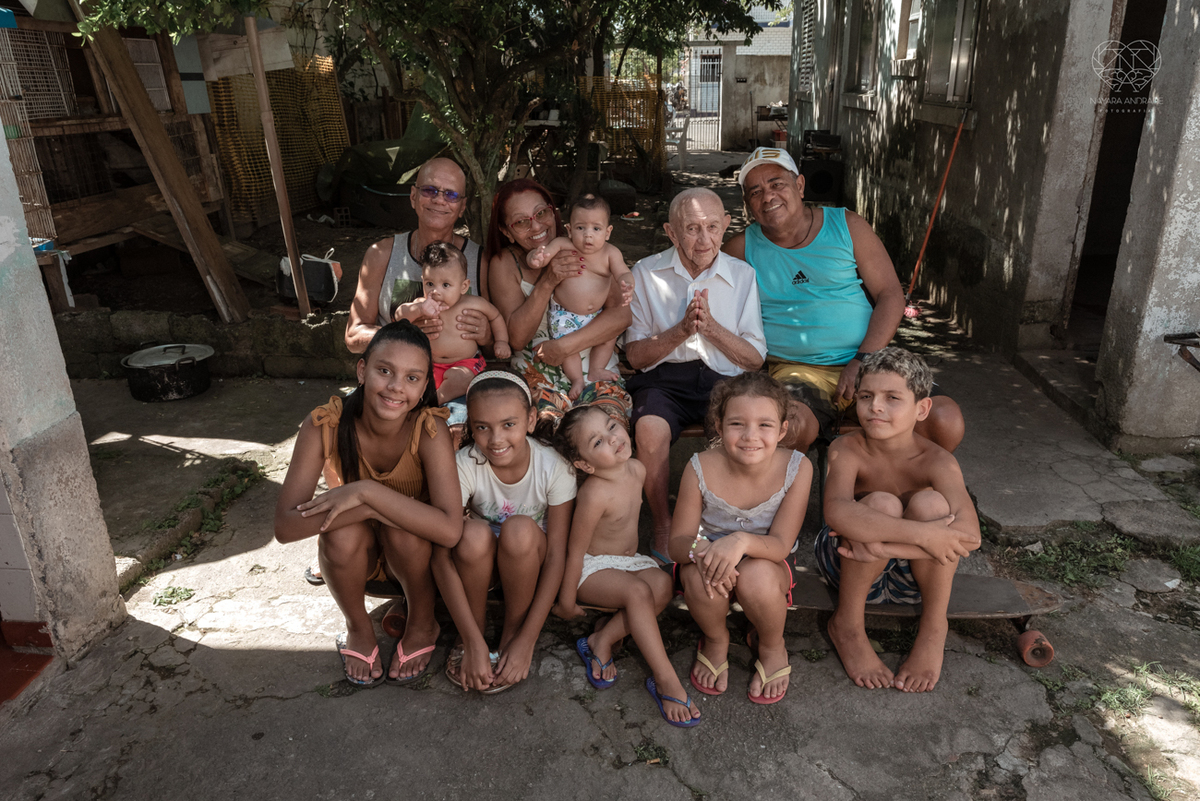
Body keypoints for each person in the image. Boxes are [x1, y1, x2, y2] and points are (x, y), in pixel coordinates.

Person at [722, 147, 964, 454]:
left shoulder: (847, 225)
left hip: (871, 360)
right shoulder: (740, 248)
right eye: (754, 191)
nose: (768, 197)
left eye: (776, 184)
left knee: (945, 420)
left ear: (799, 185)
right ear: (747, 204)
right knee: (788, 428)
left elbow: (890, 294)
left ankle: (892, 485)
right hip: (796, 370)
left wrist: (861, 359)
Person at [274, 321, 462, 687]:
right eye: (384, 371)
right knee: (339, 534)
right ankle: (357, 627)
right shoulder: (324, 424)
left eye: (412, 378)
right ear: (362, 370)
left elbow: (451, 530)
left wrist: (368, 493)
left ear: (425, 386)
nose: (395, 387)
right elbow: (284, 527)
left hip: (415, 560)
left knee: (403, 530)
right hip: (357, 562)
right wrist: (365, 505)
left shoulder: (428, 429)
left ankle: (423, 621)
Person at [817, 347, 980, 693]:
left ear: (921, 409)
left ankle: (934, 628)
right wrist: (922, 536)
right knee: (880, 505)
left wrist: (883, 546)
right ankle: (847, 623)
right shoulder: (846, 449)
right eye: (866, 396)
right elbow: (837, 511)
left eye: (892, 398)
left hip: (909, 581)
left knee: (933, 505)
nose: (875, 406)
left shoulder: (937, 461)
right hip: (849, 562)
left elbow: (970, 536)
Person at [626, 187, 767, 561]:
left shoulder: (742, 276)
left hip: (725, 382)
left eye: (712, 227)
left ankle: (729, 523)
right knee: (648, 430)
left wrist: (713, 329)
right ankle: (663, 524)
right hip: (663, 382)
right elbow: (636, 356)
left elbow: (754, 359)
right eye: (691, 229)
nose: (704, 239)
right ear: (671, 233)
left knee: (739, 430)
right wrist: (681, 330)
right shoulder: (645, 272)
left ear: (725, 226)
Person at [551, 405, 701, 728]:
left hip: (628, 562)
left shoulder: (637, 470)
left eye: (611, 427)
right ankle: (666, 679)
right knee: (637, 593)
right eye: (597, 442)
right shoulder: (593, 495)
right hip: (591, 569)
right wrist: (565, 600)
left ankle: (601, 640)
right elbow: (575, 551)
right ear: (583, 464)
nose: (613, 438)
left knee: (662, 585)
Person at [668, 372, 811, 705]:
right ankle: (716, 639)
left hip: (768, 560)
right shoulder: (699, 467)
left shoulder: (797, 467)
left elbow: (780, 544)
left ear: (783, 429)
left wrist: (741, 542)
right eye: (737, 424)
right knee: (700, 577)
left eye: (765, 425)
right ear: (718, 426)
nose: (751, 436)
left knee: (756, 577)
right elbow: (678, 543)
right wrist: (701, 550)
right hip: (709, 558)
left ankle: (773, 645)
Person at [431, 371, 576, 693]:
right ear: (471, 425)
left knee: (519, 530)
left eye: (508, 425)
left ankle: (513, 631)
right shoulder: (464, 464)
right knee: (470, 534)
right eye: (482, 427)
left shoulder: (554, 468)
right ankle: (475, 630)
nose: (495, 440)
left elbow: (555, 556)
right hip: (479, 565)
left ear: (530, 420)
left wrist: (528, 639)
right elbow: (440, 557)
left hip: (527, 563)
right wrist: (471, 638)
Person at [486, 179, 632, 426]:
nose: (536, 225)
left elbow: (622, 316)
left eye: (541, 213)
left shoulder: (588, 247)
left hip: (596, 368)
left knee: (607, 431)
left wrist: (565, 347)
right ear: (506, 231)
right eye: (521, 221)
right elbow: (518, 339)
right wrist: (548, 281)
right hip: (539, 375)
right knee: (550, 430)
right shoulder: (504, 265)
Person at [345, 157, 492, 356]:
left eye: (451, 194)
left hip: (458, 376)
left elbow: (495, 345)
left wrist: (486, 335)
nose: (439, 200)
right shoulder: (381, 254)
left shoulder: (478, 260)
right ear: (413, 196)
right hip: (396, 377)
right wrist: (406, 335)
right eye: (429, 190)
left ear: (462, 207)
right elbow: (354, 337)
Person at [528, 194, 634, 400]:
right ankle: (577, 378)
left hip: (597, 315)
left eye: (596, 228)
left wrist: (627, 283)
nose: (588, 235)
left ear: (608, 232)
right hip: (565, 315)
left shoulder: (611, 253)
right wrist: (536, 257)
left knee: (608, 337)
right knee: (567, 347)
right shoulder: (562, 244)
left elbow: (623, 272)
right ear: (569, 230)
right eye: (580, 228)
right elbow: (543, 255)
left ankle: (596, 368)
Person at [412, 241, 511, 405]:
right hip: (430, 364)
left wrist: (501, 341)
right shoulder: (421, 304)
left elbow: (496, 316)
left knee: (462, 378)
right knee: (414, 376)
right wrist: (417, 310)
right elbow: (400, 315)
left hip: (464, 364)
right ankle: (423, 399)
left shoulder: (473, 303)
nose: (435, 292)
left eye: (445, 285)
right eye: (430, 284)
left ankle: (436, 400)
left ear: (463, 286)